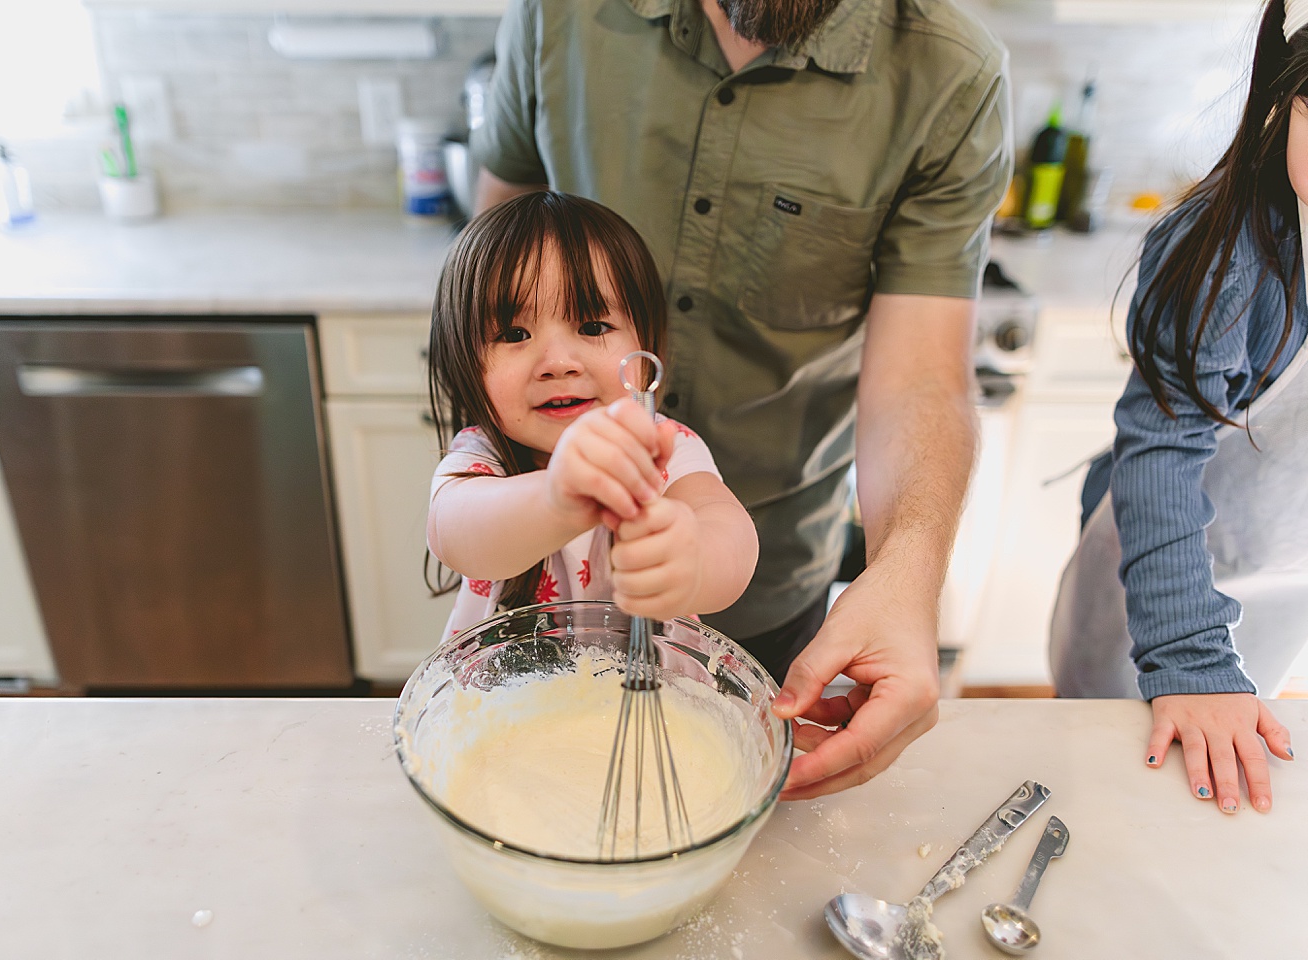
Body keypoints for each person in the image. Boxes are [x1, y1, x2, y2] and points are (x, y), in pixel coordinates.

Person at [470, 0, 1011, 799]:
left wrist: (905, 575)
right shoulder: (557, 15)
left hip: (779, 574)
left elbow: (920, 380)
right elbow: (490, 268)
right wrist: (550, 490)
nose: (554, 356)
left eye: (590, 323)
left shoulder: (949, 73)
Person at [1051, 0, 1307, 816]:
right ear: (1288, 102)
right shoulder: (1230, 254)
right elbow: (1162, 447)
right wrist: (1192, 659)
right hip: (1162, 597)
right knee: (1112, 789)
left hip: (1280, 590)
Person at [426, 190, 759, 639]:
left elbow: (729, 535)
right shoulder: (481, 459)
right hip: (498, 701)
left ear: (648, 348)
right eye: (514, 333)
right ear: (463, 361)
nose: (559, 362)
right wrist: (557, 498)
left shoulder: (664, 447)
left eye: (592, 327)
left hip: (649, 702)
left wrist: (694, 560)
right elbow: (457, 534)